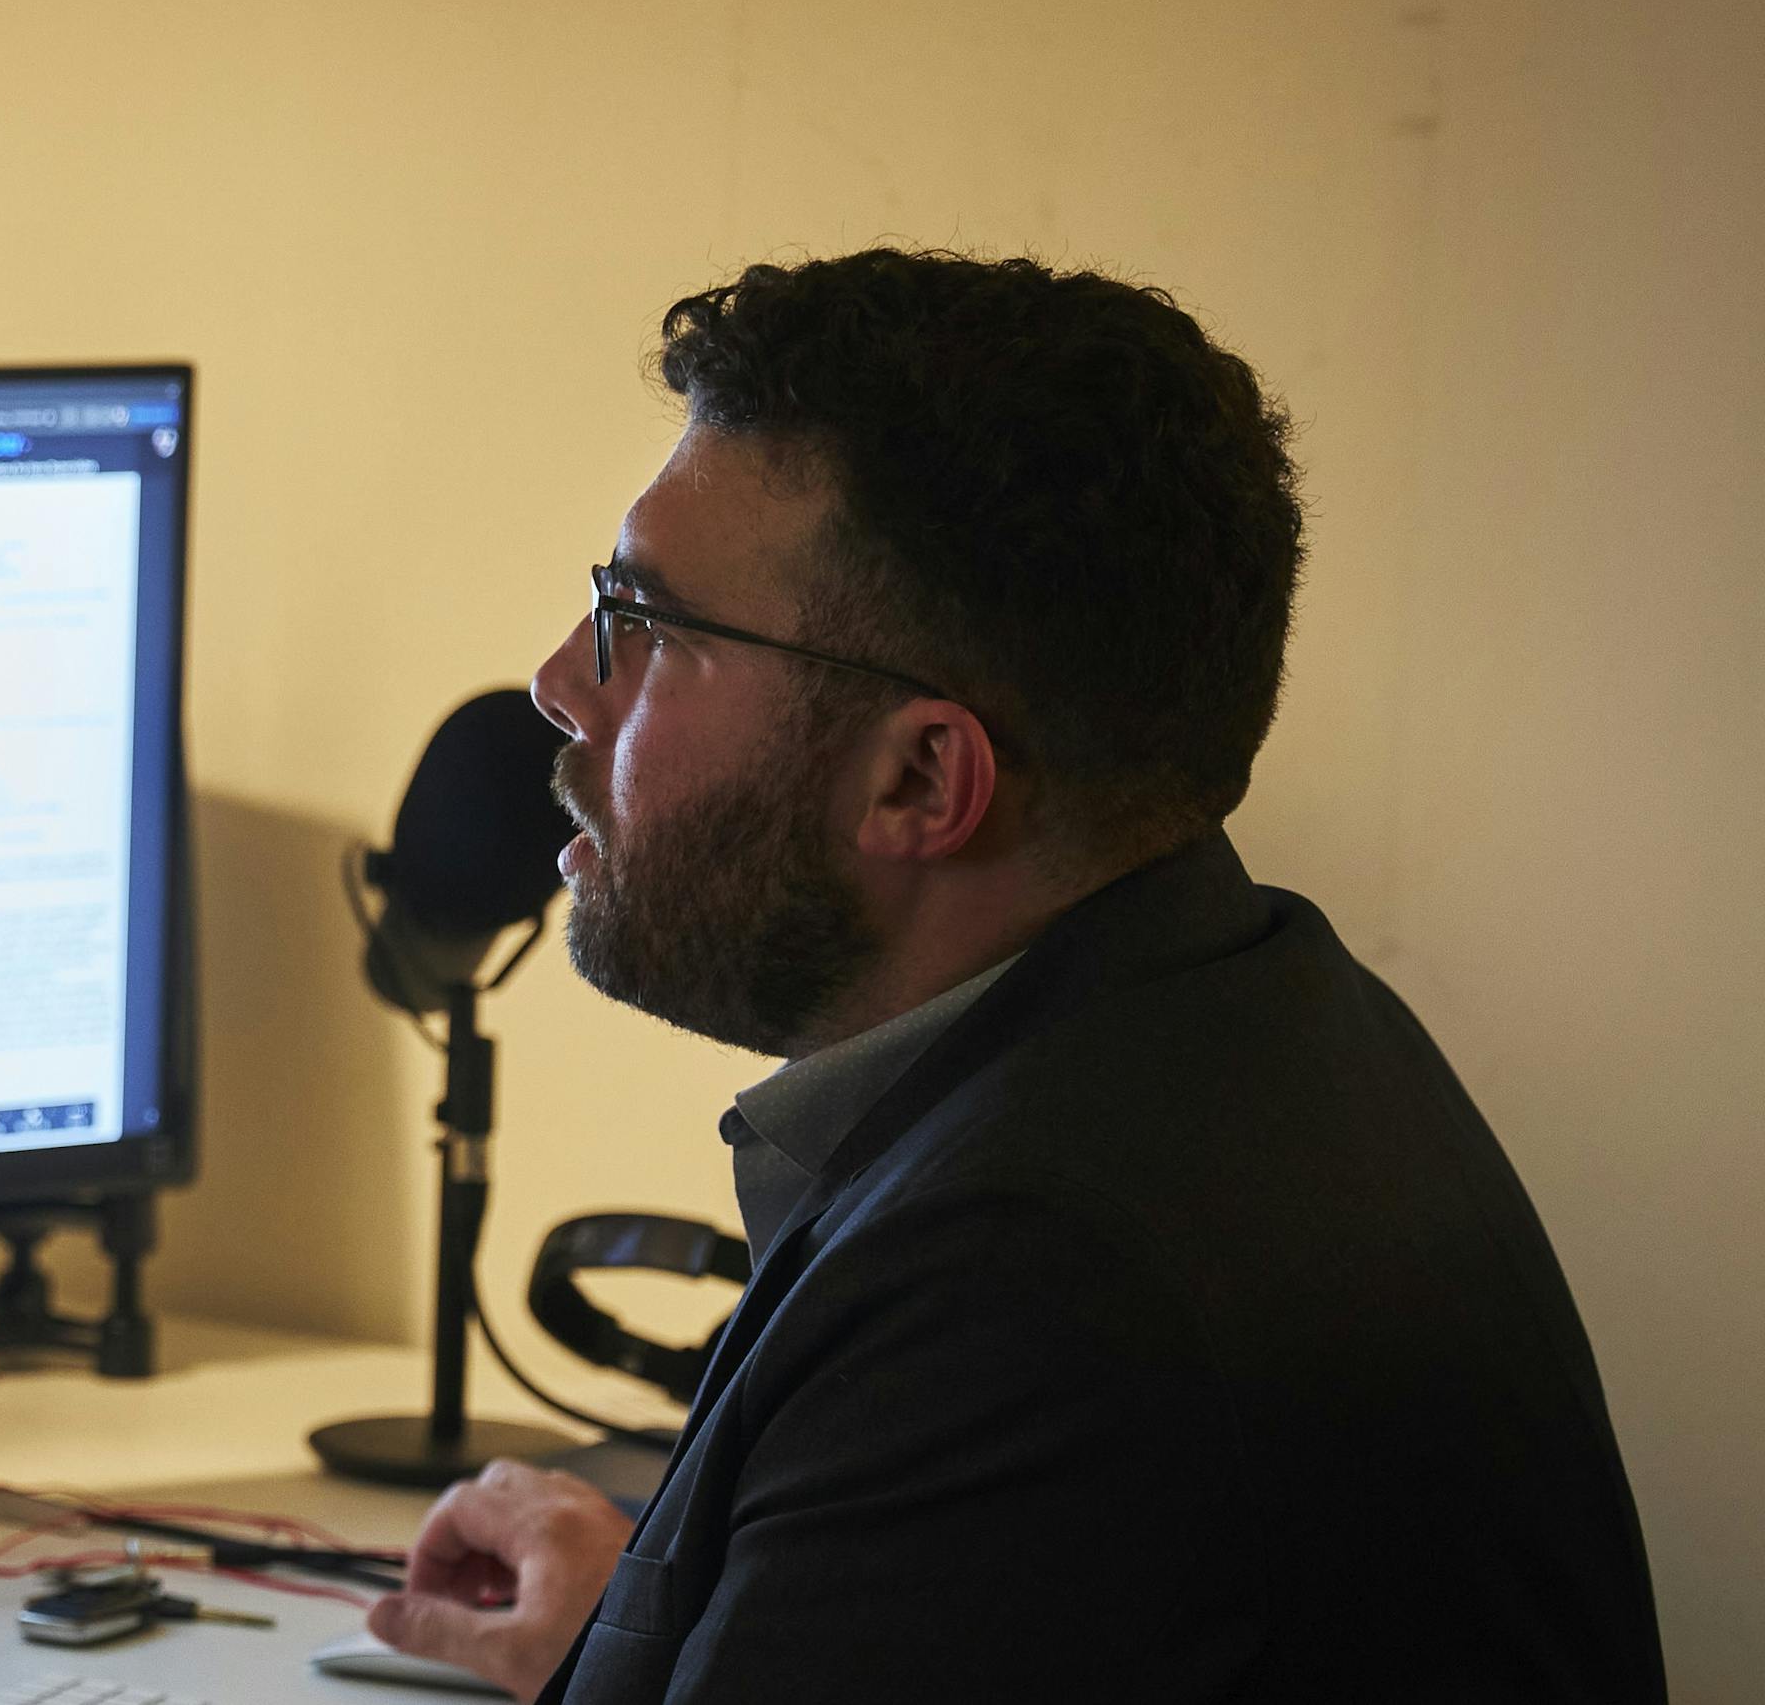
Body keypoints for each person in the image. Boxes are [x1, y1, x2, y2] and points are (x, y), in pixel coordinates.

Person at [362, 251, 1665, 1701]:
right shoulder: (1271, 1022)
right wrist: (667, 1623)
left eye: (646, 624)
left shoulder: (1024, 1280)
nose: (562, 679)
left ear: (923, 777)